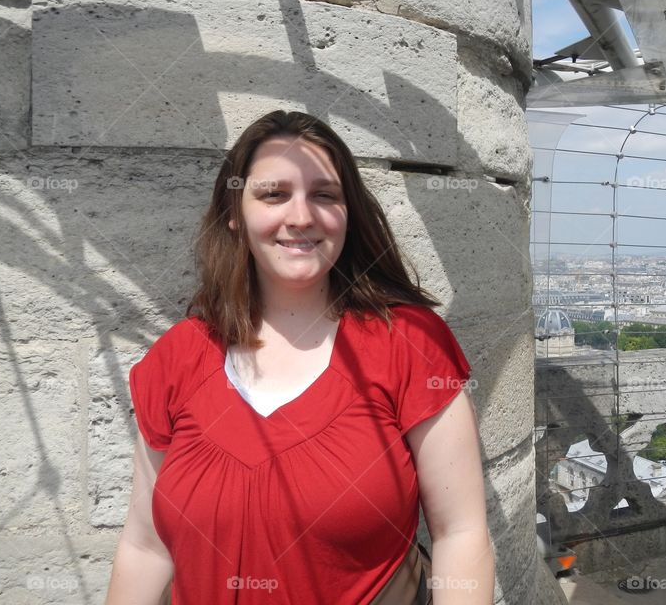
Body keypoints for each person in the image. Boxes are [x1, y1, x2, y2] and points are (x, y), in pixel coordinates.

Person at [105, 111, 494, 604]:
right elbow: (146, 547)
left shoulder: (409, 344)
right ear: (234, 213)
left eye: (325, 195)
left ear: (348, 214)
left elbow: (460, 533)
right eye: (273, 194)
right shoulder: (178, 356)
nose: (301, 216)